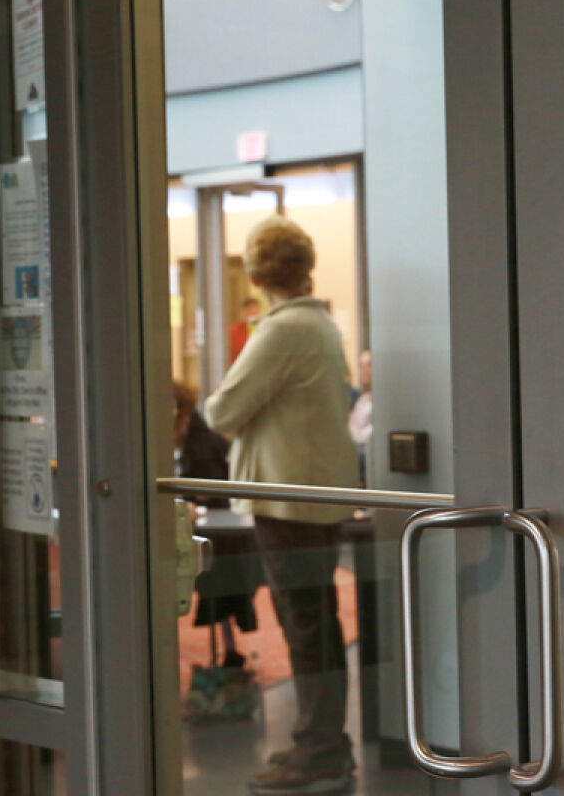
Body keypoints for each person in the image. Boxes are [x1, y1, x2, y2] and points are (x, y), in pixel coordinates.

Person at [204, 215, 360, 795]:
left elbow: (221, 412)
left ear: (257, 272)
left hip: (288, 501)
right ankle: (325, 746)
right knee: (315, 622)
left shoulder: (281, 330)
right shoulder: (319, 325)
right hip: (315, 495)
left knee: (306, 627)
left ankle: (318, 752)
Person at [348, 350, 372, 488]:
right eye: (361, 365)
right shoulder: (361, 398)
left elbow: (370, 435)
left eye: (369, 365)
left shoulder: (382, 401)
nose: (364, 370)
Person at [229, 296, 262, 364]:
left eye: (255, 312)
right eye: (249, 312)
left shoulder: (262, 330)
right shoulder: (231, 331)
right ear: (242, 312)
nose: (252, 315)